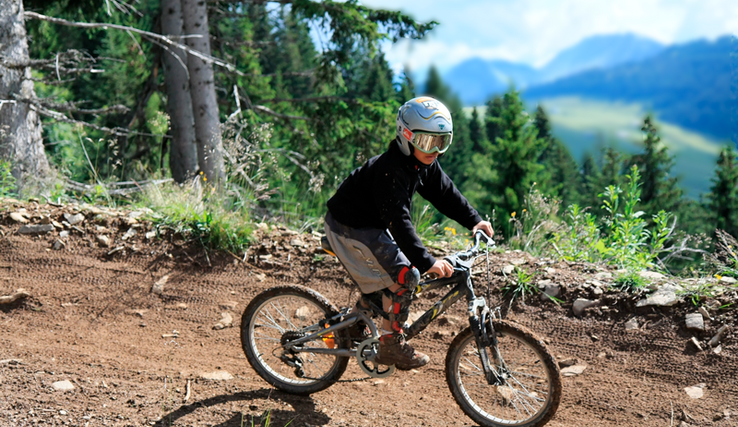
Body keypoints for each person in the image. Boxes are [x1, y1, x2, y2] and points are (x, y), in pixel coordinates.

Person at [324, 96, 494, 370]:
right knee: (405, 276)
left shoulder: (421, 161)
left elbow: (445, 193)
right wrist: (428, 262)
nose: (435, 151)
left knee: (390, 279)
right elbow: (399, 222)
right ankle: (390, 345)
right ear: (406, 136)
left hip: (371, 226)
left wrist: (474, 220)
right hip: (349, 227)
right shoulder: (391, 171)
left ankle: (352, 327)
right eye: (428, 142)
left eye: (442, 142)